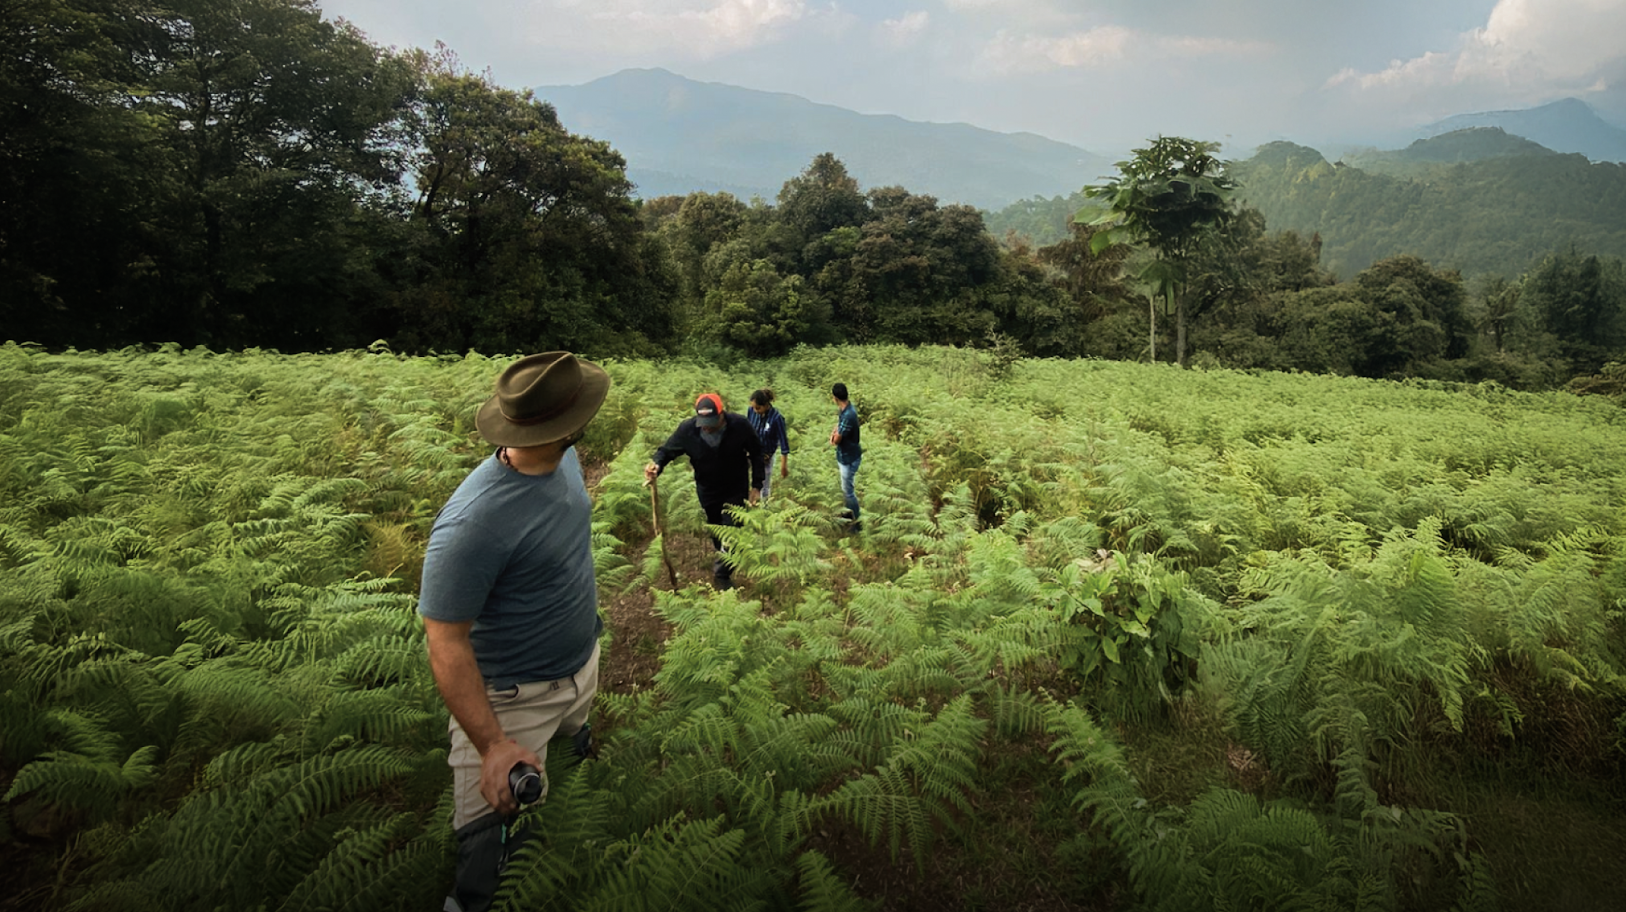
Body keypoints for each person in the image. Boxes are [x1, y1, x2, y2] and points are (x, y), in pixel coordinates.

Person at [418, 352, 610, 912]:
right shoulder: (472, 523)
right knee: (489, 878)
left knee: (574, 761)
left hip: (580, 664)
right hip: (513, 700)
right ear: (570, 425)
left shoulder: (564, 462)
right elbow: (444, 640)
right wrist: (492, 745)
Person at [644, 393, 764, 590]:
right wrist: (656, 465)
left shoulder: (740, 425)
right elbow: (666, 451)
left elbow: (757, 453)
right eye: (703, 421)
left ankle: (722, 574)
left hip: (736, 486)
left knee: (732, 529)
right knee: (716, 528)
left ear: (722, 414)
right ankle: (723, 557)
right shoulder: (688, 430)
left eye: (711, 421)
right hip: (708, 489)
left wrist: (756, 486)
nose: (706, 426)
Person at [746, 388, 790, 506]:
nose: (755, 411)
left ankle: (763, 510)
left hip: (766, 457)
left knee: (764, 486)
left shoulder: (776, 418)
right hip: (750, 453)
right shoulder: (751, 412)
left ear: (766, 405)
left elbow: (784, 444)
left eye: (758, 408)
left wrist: (784, 466)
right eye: (754, 407)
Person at [829, 382, 862, 532]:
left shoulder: (849, 414)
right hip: (846, 455)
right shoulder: (845, 409)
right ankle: (849, 515)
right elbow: (837, 428)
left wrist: (833, 437)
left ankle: (856, 523)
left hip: (849, 458)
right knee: (846, 488)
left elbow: (836, 440)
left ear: (834, 397)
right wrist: (834, 434)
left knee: (848, 491)